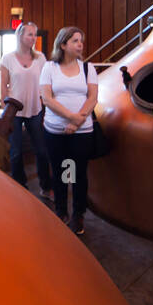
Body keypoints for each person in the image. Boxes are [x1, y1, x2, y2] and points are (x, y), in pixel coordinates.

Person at [39, 26, 97, 235]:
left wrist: (77, 122)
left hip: (82, 132)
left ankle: (78, 214)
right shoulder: (49, 68)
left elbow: (92, 98)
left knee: (79, 173)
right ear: (63, 45)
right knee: (62, 172)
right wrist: (71, 118)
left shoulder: (88, 68)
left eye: (81, 40)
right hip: (56, 130)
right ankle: (61, 210)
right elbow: (47, 98)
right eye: (75, 40)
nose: (80, 44)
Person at [0, 21, 52, 198]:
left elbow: (46, 83)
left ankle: (46, 186)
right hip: (14, 111)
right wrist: (4, 108)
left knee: (41, 150)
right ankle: (20, 188)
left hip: (35, 109)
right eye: (30, 34)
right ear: (20, 36)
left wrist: (47, 103)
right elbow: (3, 86)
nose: (33, 38)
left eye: (35, 34)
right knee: (15, 152)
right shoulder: (7, 58)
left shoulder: (41, 58)